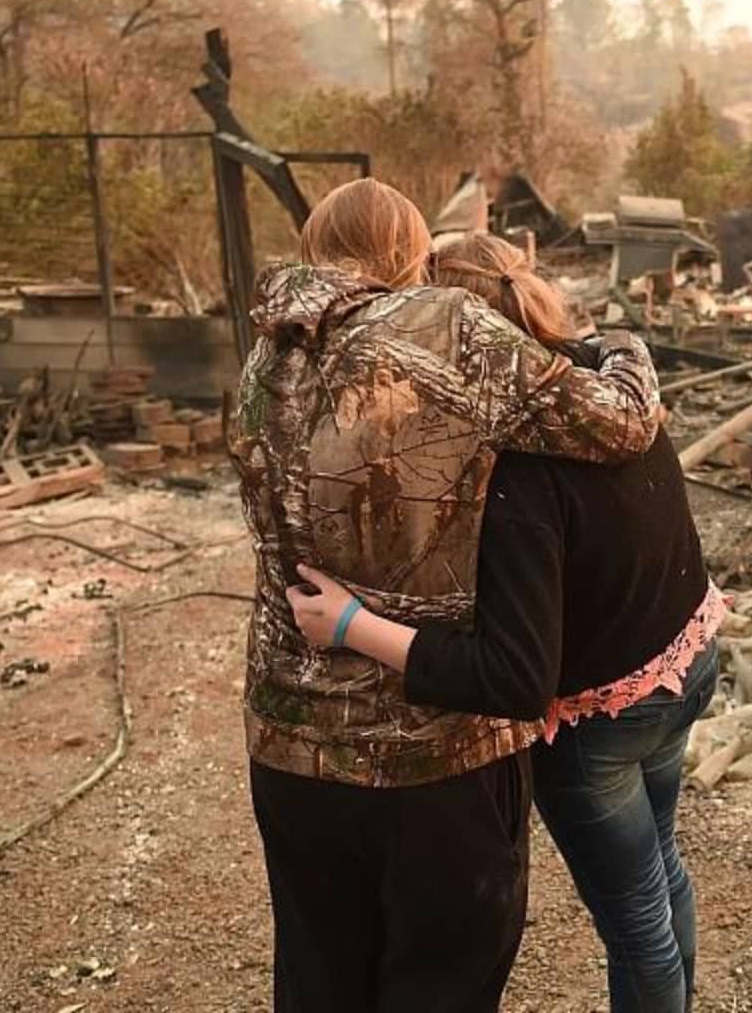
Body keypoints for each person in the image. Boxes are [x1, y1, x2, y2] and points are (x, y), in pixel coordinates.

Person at [229, 181, 665, 1013]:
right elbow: (619, 423)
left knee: (319, 979)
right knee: (443, 985)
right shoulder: (445, 327)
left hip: (288, 742)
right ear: (413, 254)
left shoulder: (261, 355)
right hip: (432, 751)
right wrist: (624, 350)